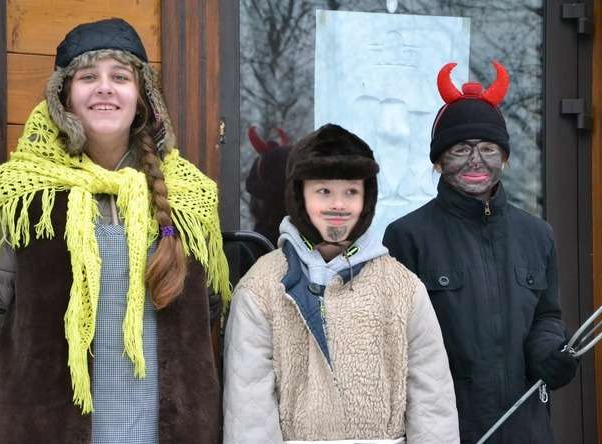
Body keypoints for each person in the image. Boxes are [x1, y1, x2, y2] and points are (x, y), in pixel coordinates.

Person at [0, 18, 229, 443]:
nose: (104, 88)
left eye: (120, 77)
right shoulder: (21, 194)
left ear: (142, 97)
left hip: (166, 430)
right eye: (88, 77)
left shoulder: (188, 196)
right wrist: (30, 384)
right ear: (64, 96)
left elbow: (206, 307)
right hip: (46, 429)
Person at [223, 124, 459, 443]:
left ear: (367, 199)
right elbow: (249, 415)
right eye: (324, 191)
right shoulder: (261, 288)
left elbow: (433, 408)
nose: (338, 205)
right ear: (299, 195)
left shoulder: (403, 288)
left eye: (351, 192)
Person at [383, 61, 579, 444]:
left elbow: (546, 315)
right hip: (447, 428)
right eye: (460, 149)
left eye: (488, 148)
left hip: (526, 428)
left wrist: (548, 352)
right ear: (439, 161)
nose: (476, 160)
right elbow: (394, 342)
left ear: (504, 158)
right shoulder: (407, 237)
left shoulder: (537, 235)